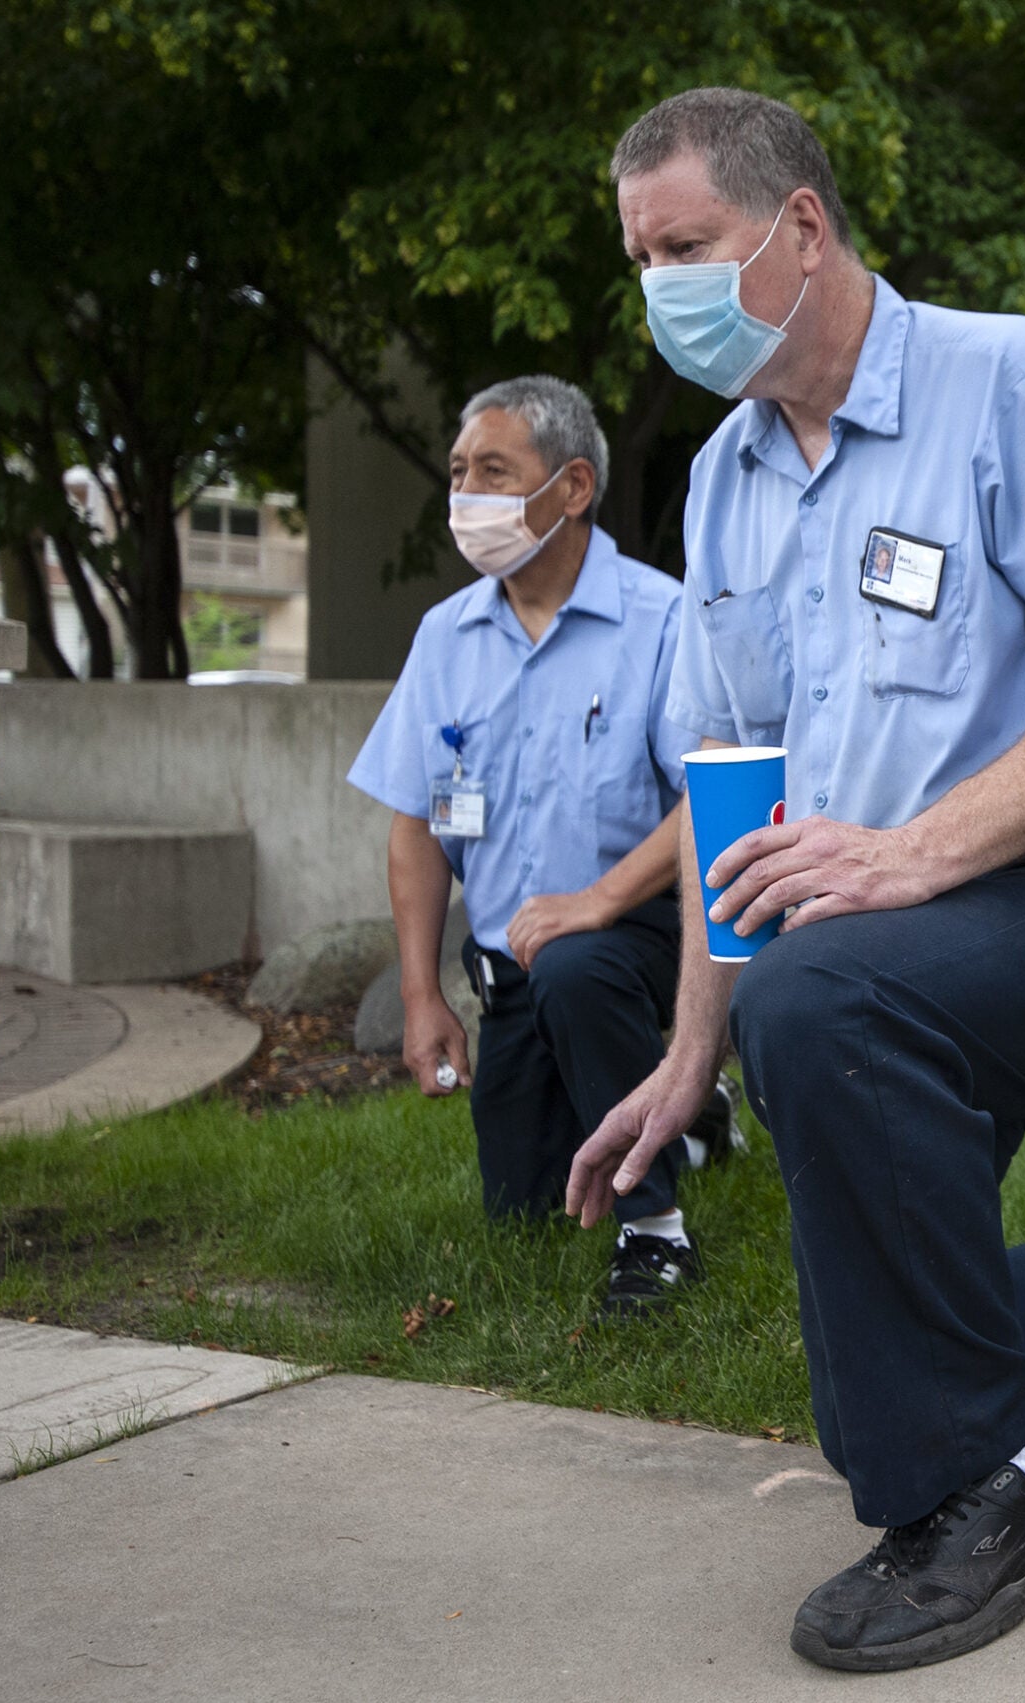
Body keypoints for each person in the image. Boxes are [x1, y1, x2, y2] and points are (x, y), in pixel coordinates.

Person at [566, 89, 1025, 1672]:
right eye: (640, 260)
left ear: (799, 226)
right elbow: (732, 791)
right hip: (871, 946)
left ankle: (1003, 1494)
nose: (660, 290)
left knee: (820, 1021)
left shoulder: (1009, 381)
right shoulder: (725, 476)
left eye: (684, 247)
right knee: (886, 1335)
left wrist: (907, 854)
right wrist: (688, 1052)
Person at [348, 375, 743, 1318]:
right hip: (515, 964)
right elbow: (416, 825)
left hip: (639, 930)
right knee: (524, 1205)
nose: (466, 494)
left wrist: (598, 900)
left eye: (493, 470)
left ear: (573, 487)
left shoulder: (661, 618)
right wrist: (420, 993)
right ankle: (694, 1113)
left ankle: (656, 1235)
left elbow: (711, 794)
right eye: (458, 472)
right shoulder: (446, 636)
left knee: (578, 968)